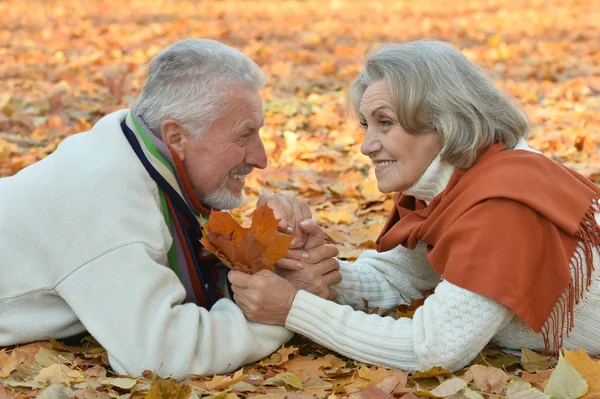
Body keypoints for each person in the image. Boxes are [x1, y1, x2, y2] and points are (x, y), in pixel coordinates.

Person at [229, 40, 600, 372]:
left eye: (385, 123)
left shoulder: (504, 204)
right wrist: (320, 273)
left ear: (444, 120)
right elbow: (402, 280)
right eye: (366, 125)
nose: (366, 146)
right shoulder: (451, 183)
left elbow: (433, 350)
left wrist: (293, 308)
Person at [0, 39, 341, 378]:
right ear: (176, 136)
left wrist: (269, 249)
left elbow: (186, 255)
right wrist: (289, 307)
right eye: (244, 135)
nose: (261, 158)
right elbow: (160, 355)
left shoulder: (134, 147)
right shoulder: (104, 203)